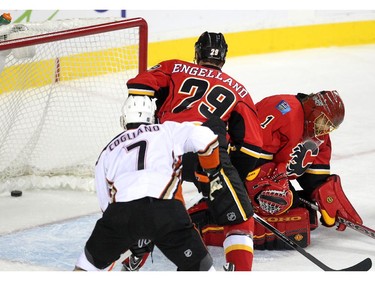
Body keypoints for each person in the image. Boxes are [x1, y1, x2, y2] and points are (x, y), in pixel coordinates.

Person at [124, 31, 263, 271]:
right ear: (224, 58)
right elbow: (252, 147)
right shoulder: (239, 91)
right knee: (241, 219)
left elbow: (139, 85)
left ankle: (134, 257)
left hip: (164, 148)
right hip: (206, 152)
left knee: (160, 202)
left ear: (197, 53)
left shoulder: (174, 67)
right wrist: (231, 183)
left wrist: (139, 133)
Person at [190, 90, 364, 250]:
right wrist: (241, 186)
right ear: (313, 110)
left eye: (329, 127)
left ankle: (242, 210)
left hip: (271, 179)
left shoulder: (320, 137)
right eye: (322, 122)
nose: (324, 129)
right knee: (273, 197)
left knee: (301, 215)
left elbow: (314, 178)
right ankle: (205, 219)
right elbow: (246, 152)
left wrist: (325, 193)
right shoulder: (283, 109)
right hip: (235, 168)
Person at [74, 95, 221, 271]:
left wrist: (127, 234)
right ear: (152, 117)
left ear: (124, 119)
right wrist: (212, 173)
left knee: (86, 266)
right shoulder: (167, 129)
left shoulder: (107, 150)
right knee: (201, 269)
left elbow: (106, 203)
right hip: (166, 211)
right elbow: (207, 138)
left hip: (122, 214)